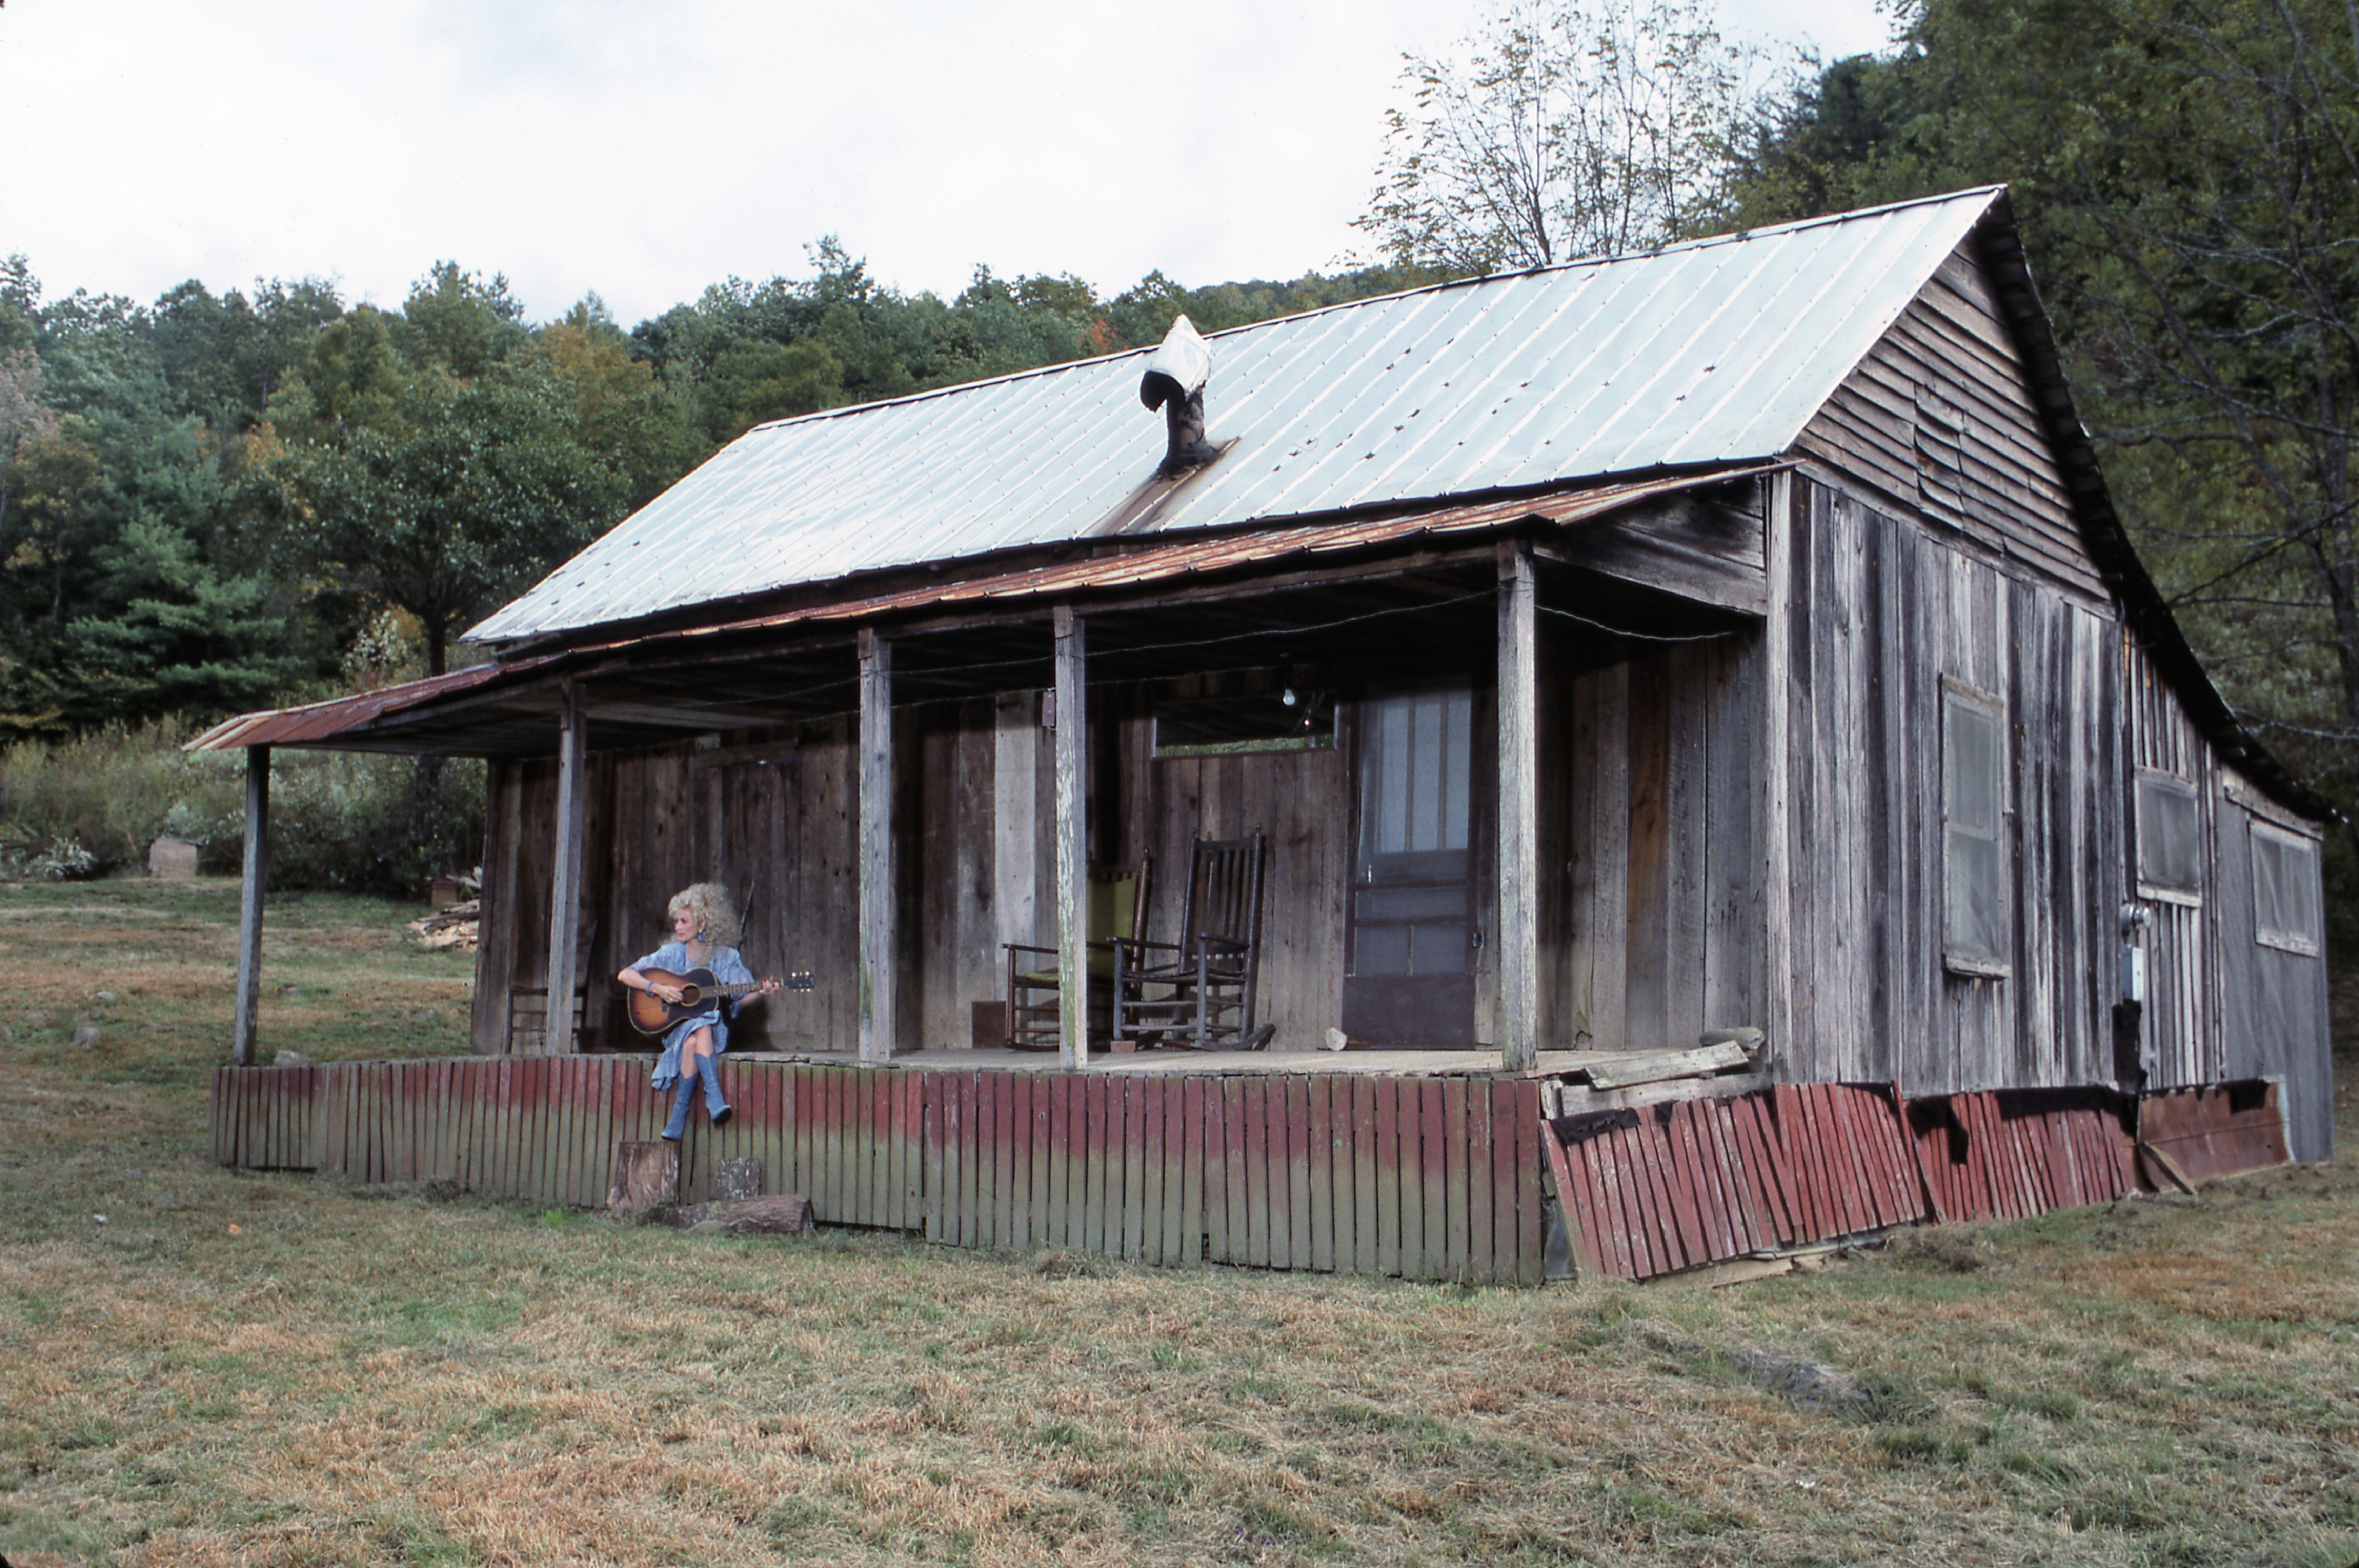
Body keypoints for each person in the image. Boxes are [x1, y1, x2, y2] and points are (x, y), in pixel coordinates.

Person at [618, 883, 780, 1141]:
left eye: (684, 921)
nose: (677, 927)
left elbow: (741, 999)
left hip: (716, 1032)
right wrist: (657, 988)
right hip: (677, 1031)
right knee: (695, 1030)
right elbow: (625, 974)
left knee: (703, 1022)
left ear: (703, 924)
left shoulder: (727, 957)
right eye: (676, 921)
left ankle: (679, 1116)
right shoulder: (671, 954)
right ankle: (713, 1098)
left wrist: (761, 992)